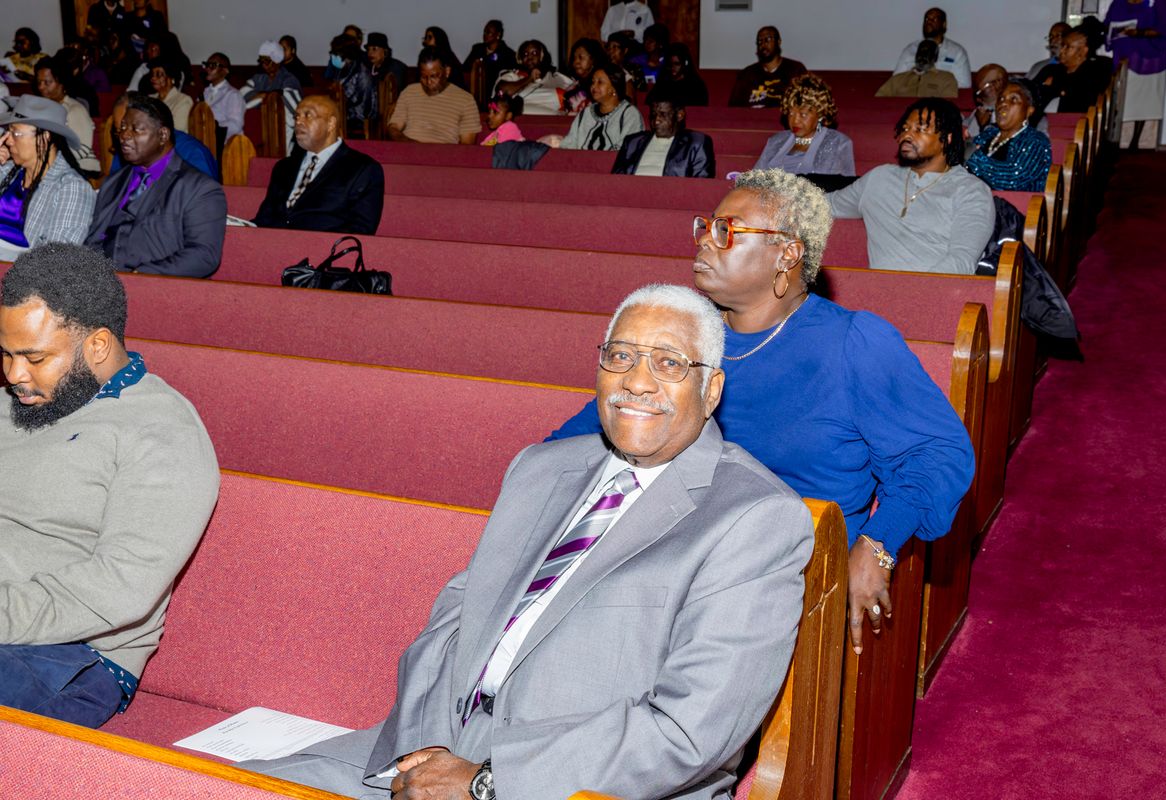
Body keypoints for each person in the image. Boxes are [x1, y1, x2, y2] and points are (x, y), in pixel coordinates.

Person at [244, 282, 814, 800]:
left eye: (669, 363)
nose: (637, 381)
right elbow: (453, 622)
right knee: (228, 785)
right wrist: (430, 751)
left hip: (585, 785)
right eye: (621, 356)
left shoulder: (754, 517)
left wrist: (488, 782)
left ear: (711, 389)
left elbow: (689, 732)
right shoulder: (540, 468)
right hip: (436, 750)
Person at [548, 171, 974, 656]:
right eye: (706, 227)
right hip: (674, 549)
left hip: (788, 570)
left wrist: (878, 544)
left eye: (726, 230)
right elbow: (583, 436)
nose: (705, 240)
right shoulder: (685, 335)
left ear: (787, 254)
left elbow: (937, 453)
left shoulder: (853, 343)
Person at [0, 243, 219, 728]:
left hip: (73, 656)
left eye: (34, 357)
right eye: (7, 354)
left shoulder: (161, 431)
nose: (14, 374)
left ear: (97, 345)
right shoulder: (11, 404)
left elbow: (117, 589)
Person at [827, 98, 994, 275]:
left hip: (937, 289)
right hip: (873, 290)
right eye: (905, 129)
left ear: (947, 138)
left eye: (920, 130)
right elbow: (822, 205)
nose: (907, 136)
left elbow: (961, 262)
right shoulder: (879, 178)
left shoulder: (971, 191)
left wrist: (912, 290)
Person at [85, 93, 225, 278]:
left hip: (158, 286)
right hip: (102, 283)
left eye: (135, 129)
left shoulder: (199, 188)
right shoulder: (113, 182)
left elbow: (204, 255)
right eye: (122, 128)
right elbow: (94, 239)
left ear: (163, 135)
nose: (124, 135)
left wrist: (143, 275)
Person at [253, 95, 384, 234]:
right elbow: (264, 218)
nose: (298, 122)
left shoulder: (363, 169)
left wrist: (307, 242)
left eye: (308, 115)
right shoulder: (283, 167)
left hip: (324, 246)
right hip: (273, 243)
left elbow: (361, 230)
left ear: (331, 123)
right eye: (296, 116)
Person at [0, 97, 95, 261]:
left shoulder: (70, 187)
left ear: (44, 137)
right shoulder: (7, 171)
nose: (8, 140)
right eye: (7, 132)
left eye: (16, 133)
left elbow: (55, 259)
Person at [1104, 0, 1166, 150]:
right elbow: (1108, 25)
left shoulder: (1159, 3)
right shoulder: (1118, 3)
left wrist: (1139, 32)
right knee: (1118, 100)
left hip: (1148, 57)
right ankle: (1113, 141)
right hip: (1123, 56)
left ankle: (1135, 141)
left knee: (1144, 100)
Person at [754, 74, 854, 177]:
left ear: (820, 114)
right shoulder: (776, 141)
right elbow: (754, 179)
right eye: (791, 113)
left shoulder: (838, 142)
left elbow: (844, 184)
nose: (795, 120)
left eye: (803, 115)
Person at [107, 92, 218, 181]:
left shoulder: (191, 153)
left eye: (134, 129)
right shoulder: (126, 149)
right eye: (120, 130)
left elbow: (203, 195)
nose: (124, 136)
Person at [965, 81, 1051, 192]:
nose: (1003, 103)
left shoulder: (1036, 141)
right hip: (972, 196)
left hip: (1015, 202)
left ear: (1029, 111)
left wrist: (973, 157)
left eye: (1013, 99)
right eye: (1000, 99)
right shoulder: (989, 133)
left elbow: (1013, 179)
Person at [387, 47, 481, 145]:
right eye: (424, 77)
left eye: (434, 76)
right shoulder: (409, 92)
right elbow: (393, 128)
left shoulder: (466, 100)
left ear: (447, 72)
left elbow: (466, 146)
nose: (428, 82)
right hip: (409, 148)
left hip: (444, 152)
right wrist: (410, 143)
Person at [612, 94, 714, 178]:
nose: (656, 120)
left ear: (679, 115)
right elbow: (616, 180)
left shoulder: (696, 142)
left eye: (663, 114)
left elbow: (701, 184)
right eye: (653, 114)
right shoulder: (632, 142)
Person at [549, 64, 643, 151]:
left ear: (614, 88)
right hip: (581, 162)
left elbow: (628, 149)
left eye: (600, 82)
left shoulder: (630, 114)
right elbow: (570, 143)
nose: (593, 86)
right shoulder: (586, 113)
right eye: (593, 82)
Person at [33, 56, 100, 173]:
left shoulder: (74, 110)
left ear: (61, 82)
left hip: (80, 169)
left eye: (47, 82)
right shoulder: (42, 108)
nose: (41, 87)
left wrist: (48, 153)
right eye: (39, 82)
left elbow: (82, 150)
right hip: (53, 166)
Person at [241, 41, 302, 154]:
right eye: (261, 61)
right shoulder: (258, 78)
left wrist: (263, 97)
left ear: (277, 60)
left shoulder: (289, 79)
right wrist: (267, 96)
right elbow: (242, 95)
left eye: (267, 61)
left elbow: (291, 105)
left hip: (280, 128)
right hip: (258, 125)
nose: (263, 64)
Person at [1035, 27, 1110, 114]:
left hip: (1076, 119)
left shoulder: (1097, 70)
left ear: (1083, 51)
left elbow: (1081, 96)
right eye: (1062, 45)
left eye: (1068, 47)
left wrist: (1053, 86)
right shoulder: (1051, 69)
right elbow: (1032, 90)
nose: (1062, 50)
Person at [728, 26, 807, 107]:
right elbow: (734, 108)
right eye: (759, 41)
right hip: (753, 114)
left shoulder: (796, 69)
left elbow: (807, 103)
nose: (763, 44)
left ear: (778, 42)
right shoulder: (747, 74)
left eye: (768, 39)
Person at [893, 7, 971, 89]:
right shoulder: (910, 49)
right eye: (926, 19)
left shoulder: (957, 52)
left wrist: (933, 85)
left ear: (944, 24)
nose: (929, 22)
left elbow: (964, 85)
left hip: (943, 96)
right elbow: (896, 81)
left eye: (934, 19)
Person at [493, 40, 575, 115]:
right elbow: (502, 92)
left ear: (542, 57)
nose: (529, 57)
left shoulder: (556, 76)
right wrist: (529, 79)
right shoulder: (512, 75)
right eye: (525, 54)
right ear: (520, 59)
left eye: (534, 53)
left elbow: (575, 94)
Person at [327, 33, 377, 139]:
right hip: (343, 117)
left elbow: (365, 107)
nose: (333, 56)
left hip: (358, 121)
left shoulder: (362, 74)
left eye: (336, 53)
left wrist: (342, 108)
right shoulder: (342, 69)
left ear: (346, 55)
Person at [874, 39, 957, 98]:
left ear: (935, 58)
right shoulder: (898, 79)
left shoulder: (946, 78)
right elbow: (879, 100)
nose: (922, 56)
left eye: (927, 53)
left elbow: (948, 105)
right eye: (920, 52)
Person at [201, 52, 245, 158]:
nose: (208, 68)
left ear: (225, 71)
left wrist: (211, 129)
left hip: (227, 147)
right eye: (207, 65)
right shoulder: (204, 93)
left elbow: (236, 125)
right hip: (207, 144)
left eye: (213, 65)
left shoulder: (233, 94)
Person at [463, 20, 516, 103]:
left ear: (498, 35)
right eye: (484, 32)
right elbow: (465, 68)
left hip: (494, 95)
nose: (485, 35)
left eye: (488, 32)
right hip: (474, 92)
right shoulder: (477, 49)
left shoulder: (508, 54)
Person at [561, 38, 608, 114]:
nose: (576, 62)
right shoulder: (573, 86)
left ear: (593, 59)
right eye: (574, 58)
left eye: (581, 57)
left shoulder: (600, 86)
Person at [963, 63, 1008, 140]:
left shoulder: (1013, 113)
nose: (996, 86)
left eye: (999, 81)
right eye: (989, 85)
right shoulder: (978, 114)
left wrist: (984, 126)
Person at [147, 58, 193, 132]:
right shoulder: (149, 99)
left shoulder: (183, 101)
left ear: (171, 79)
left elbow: (178, 131)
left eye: (158, 74)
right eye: (152, 74)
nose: (153, 78)